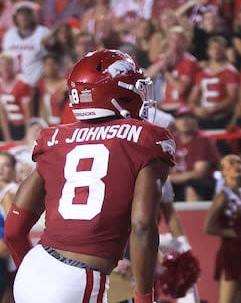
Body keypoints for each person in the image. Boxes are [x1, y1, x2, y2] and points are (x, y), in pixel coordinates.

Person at [5, 49, 174, 303]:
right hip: (79, 278)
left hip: (33, 268)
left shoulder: (55, 138)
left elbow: (14, 229)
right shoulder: (145, 138)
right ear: (117, 92)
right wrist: (144, 297)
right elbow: (141, 226)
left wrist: (30, 271)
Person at [204, 154, 241, 303]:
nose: (236, 166)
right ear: (223, 171)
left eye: (239, 162)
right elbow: (208, 227)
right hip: (230, 252)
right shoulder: (223, 195)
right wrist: (232, 232)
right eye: (231, 163)